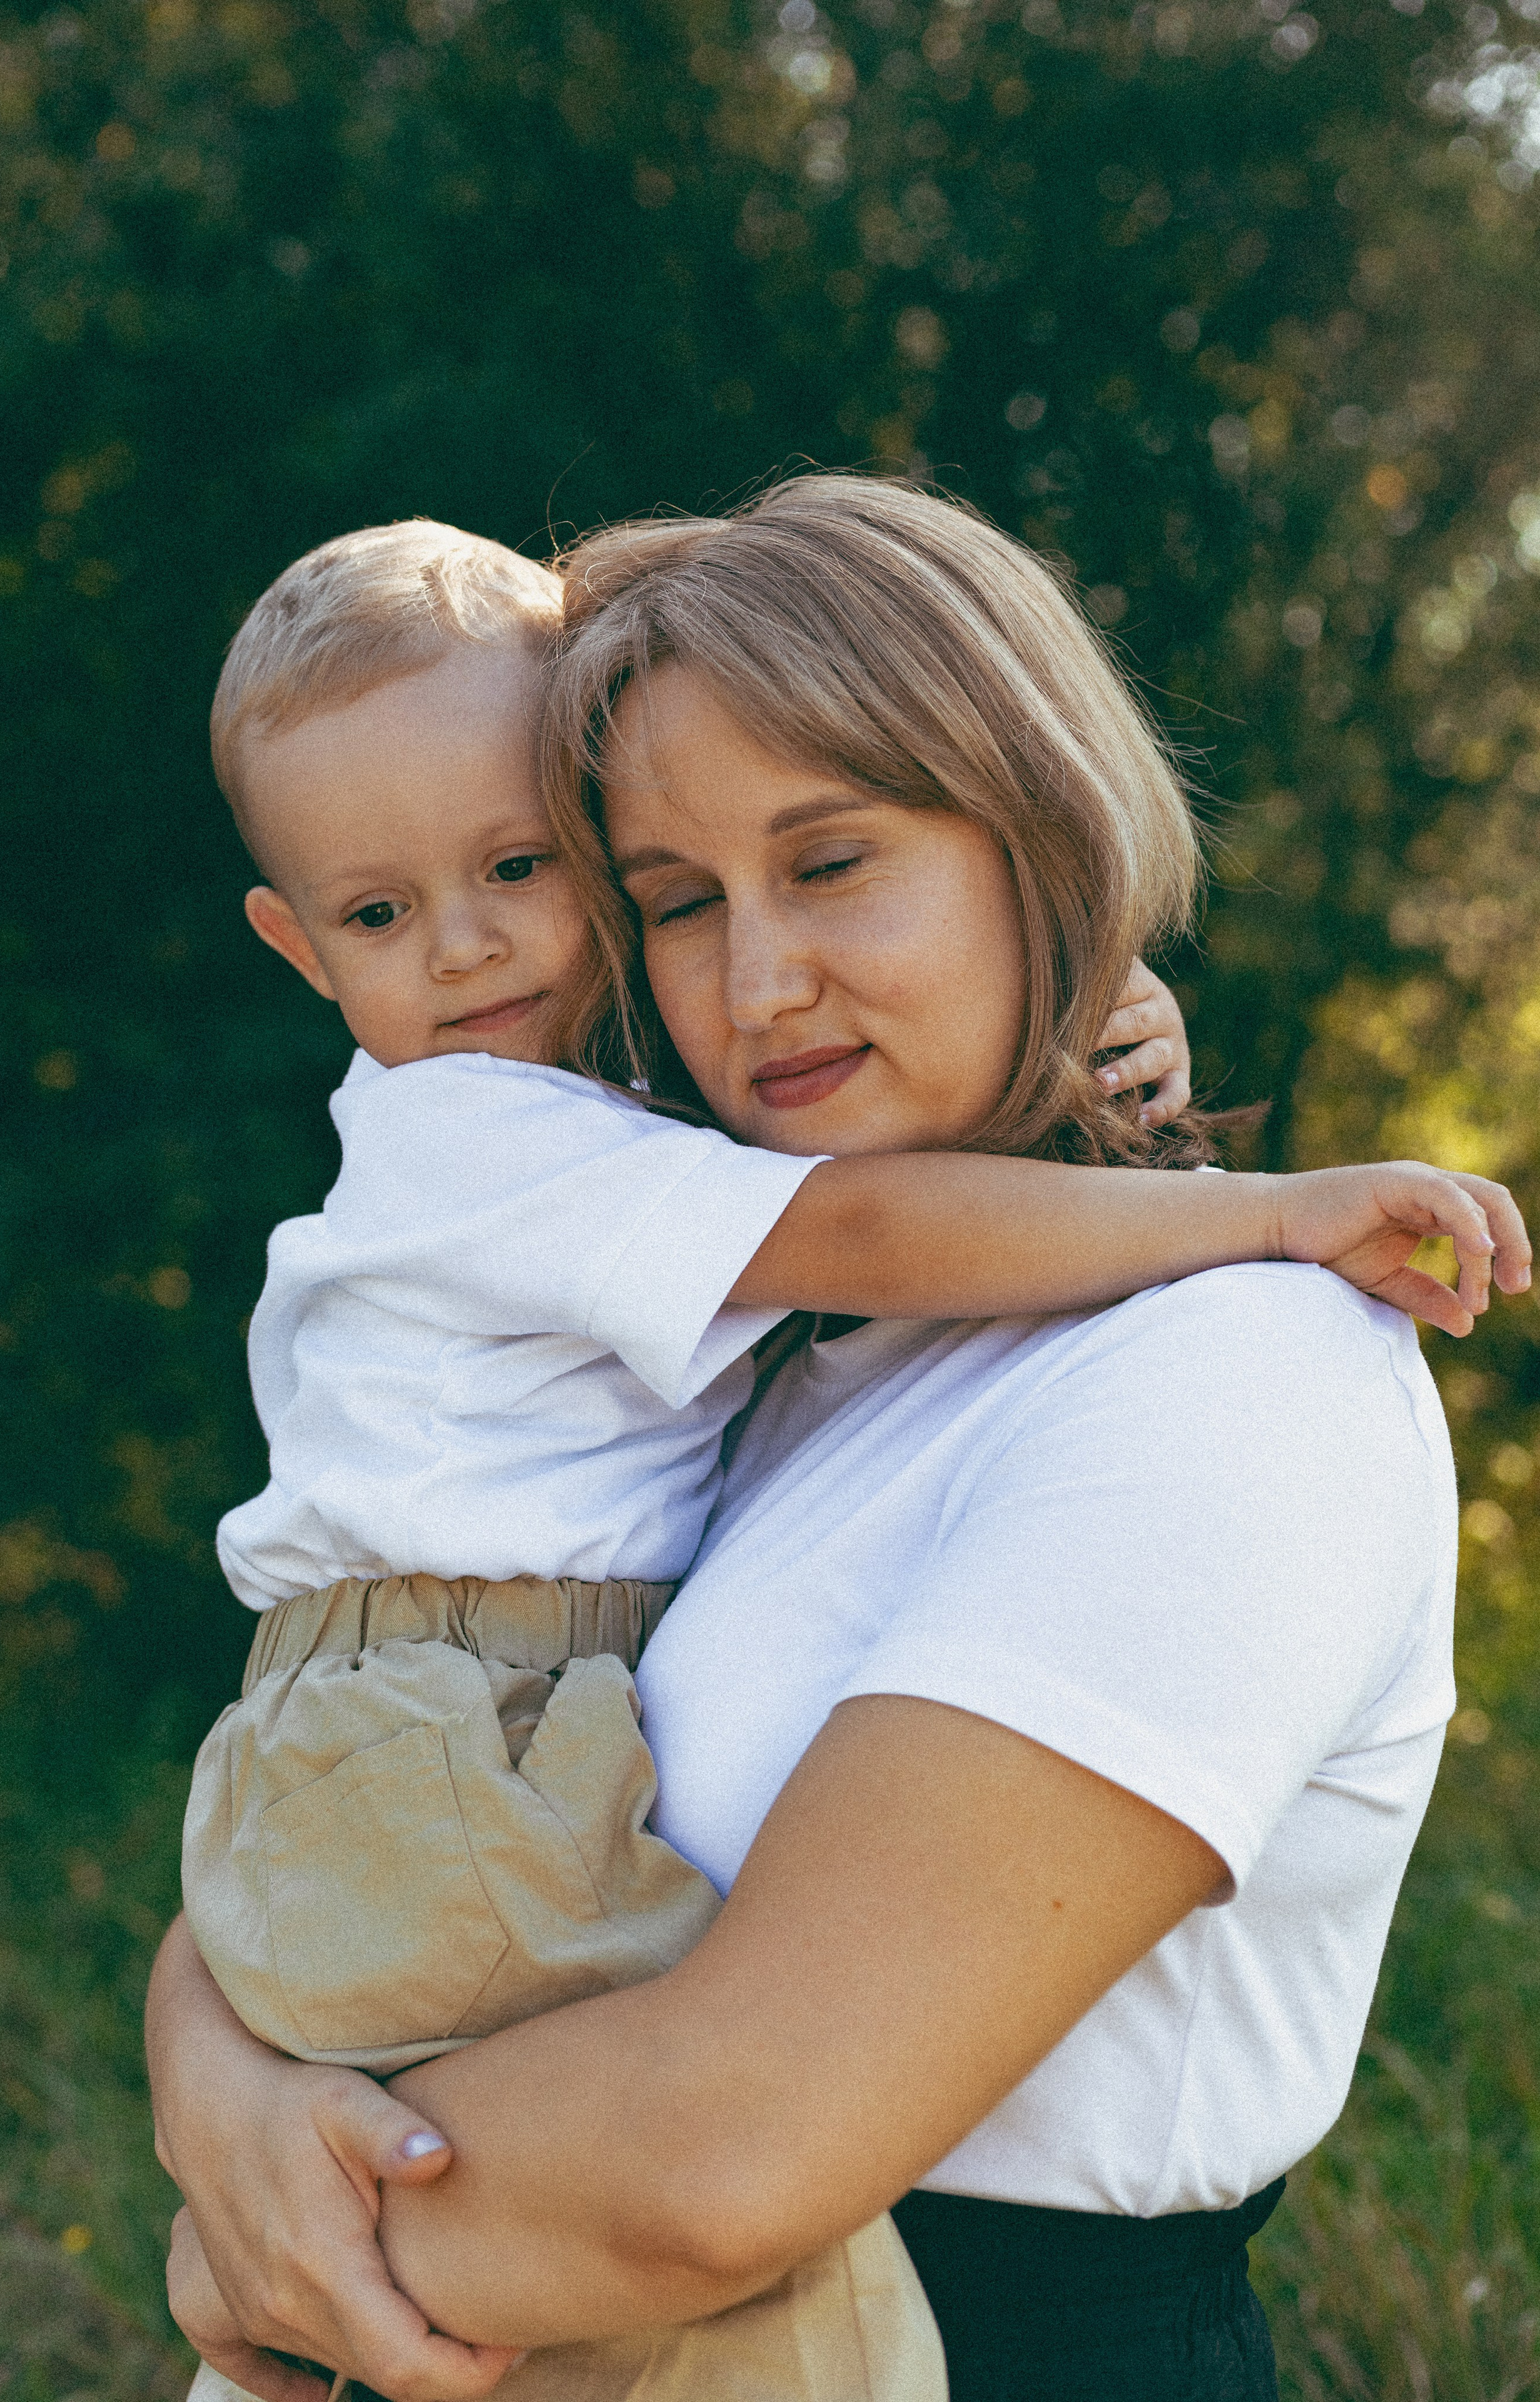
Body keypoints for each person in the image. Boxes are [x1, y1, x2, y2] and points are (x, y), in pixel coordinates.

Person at [150, 482, 1531, 2402]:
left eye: (834, 863)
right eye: (681, 903)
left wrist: (255, 2275)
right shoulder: (791, 1362)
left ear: (1039, 837)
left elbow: (718, 2160)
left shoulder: (1237, 1367)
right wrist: (213, 2099)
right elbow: (405, 1821)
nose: (757, 985)